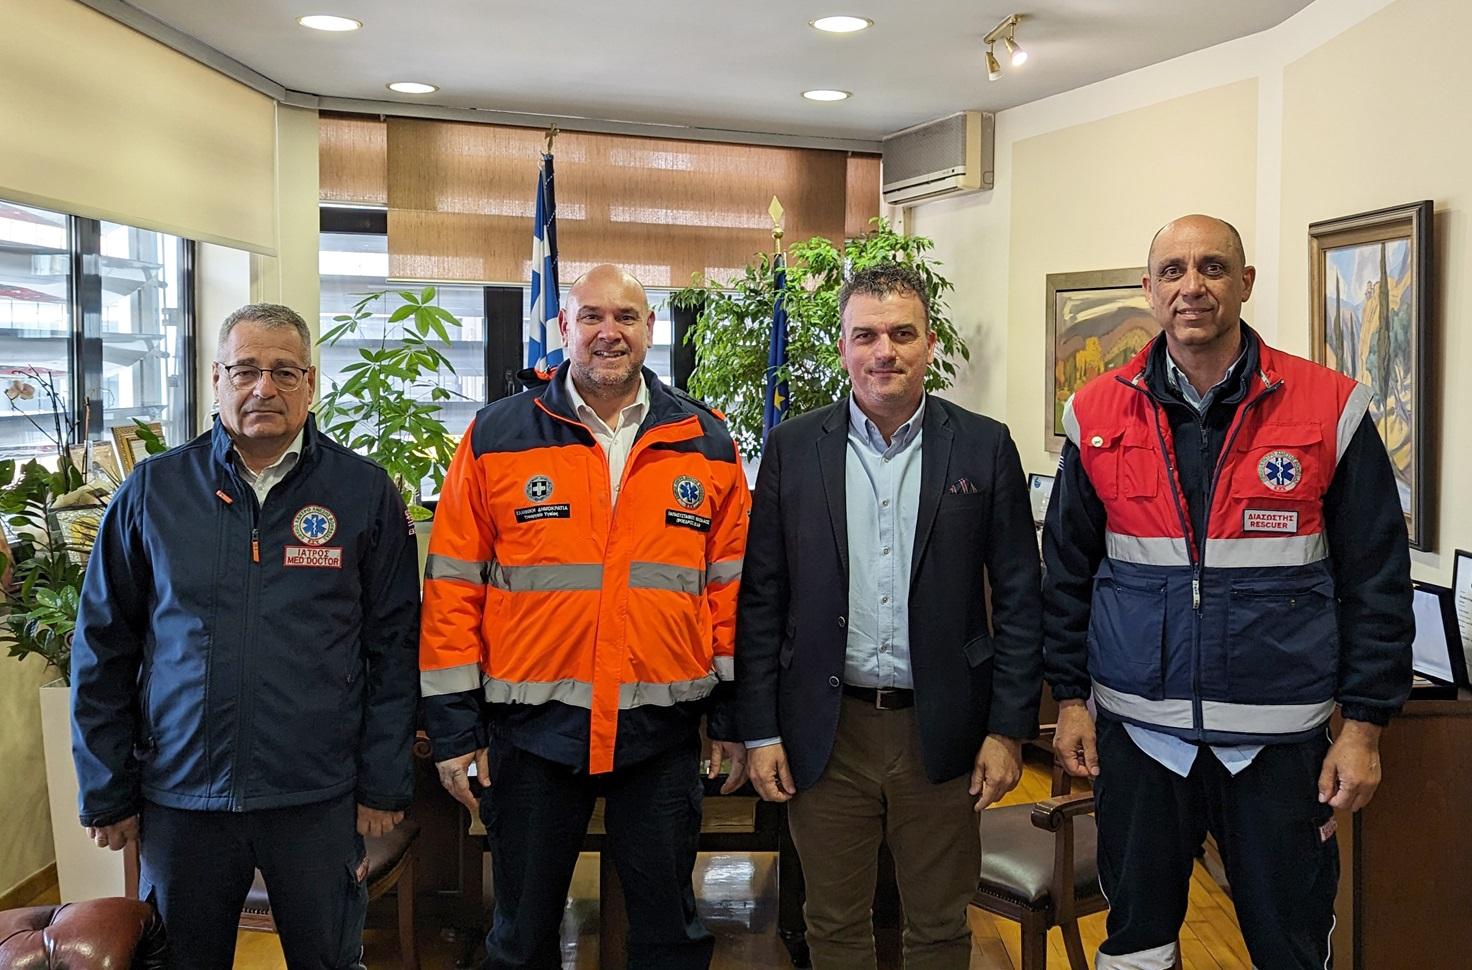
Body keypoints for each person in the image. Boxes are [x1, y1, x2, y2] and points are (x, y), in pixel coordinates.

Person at [1044, 214, 1414, 969]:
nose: (1192, 286)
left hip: (1280, 748)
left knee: (1290, 946)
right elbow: (1068, 574)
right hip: (1139, 740)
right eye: (1173, 271)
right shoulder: (1096, 413)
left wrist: (1364, 727)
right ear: (1149, 290)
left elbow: (1377, 581)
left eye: (1212, 268)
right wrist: (1071, 700)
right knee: (1137, 946)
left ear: (1244, 283)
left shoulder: (1329, 407)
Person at [71, 303, 421, 969]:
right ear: (217, 378)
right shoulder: (154, 490)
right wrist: (105, 787)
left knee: (329, 960)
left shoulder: (363, 492)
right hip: (183, 795)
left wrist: (383, 781)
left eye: (285, 371)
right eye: (246, 370)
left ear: (310, 383)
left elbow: (395, 646)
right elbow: (102, 647)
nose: (265, 387)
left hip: (315, 795)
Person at [420, 264, 750, 970]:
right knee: (519, 941)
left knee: (670, 939)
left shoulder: (707, 440)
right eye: (592, 316)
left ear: (650, 330)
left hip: (661, 737)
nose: (609, 332)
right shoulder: (495, 435)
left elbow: (729, 593)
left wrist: (728, 717)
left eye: (626, 317)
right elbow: (451, 589)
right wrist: (453, 731)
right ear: (564, 326)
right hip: (531, 737)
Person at [737, 262, 1043, 970]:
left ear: (929, 343)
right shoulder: (792, 448)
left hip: (942, 733)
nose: (885, 352)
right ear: (842, 346)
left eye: (903, 334)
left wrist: (1007, 731)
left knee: (937, 928)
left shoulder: (983, 445)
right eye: (867, 335)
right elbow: (762, 598)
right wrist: (760, 730)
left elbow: (1020, 598)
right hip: (826, 731)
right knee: (832, 925)